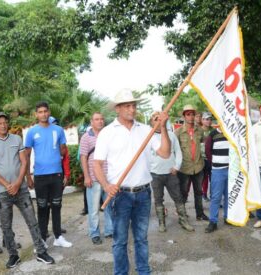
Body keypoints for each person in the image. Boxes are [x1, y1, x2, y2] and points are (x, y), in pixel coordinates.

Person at [94, 90, 171, 275]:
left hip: (144, 193)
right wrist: (106, 186)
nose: (132, 109)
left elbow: (165, 153)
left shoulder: (146, 130)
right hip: (119, 194)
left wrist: (164, 127)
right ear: (118, 109)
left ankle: (144, 271)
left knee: (141, 239)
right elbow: (97, 164)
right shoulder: (107, 132)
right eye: (127, 106)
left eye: (134, 105)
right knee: (120, 240)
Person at [0, 112, 54, 268]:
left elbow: (24, 161)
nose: (3, 125)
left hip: (21, 189)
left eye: (5, 122)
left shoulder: (17, 139)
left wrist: (17, 183)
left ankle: (41, 251)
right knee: (6, 226)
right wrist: (6, 184)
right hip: (3, 192)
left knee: (32, 221)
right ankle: (13, 255)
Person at [25, 102, 72, 248]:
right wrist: (28, 176)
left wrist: (58, 153)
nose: (43, 114)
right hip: (40, 176)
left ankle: (58, 236)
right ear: (36, 114)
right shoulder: (32, 132)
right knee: (42, 207)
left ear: (49, 112)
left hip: (56, 174)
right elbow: (26, 155)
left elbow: (64, 150)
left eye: (45, 111)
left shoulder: (58, 130)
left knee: (57, 206)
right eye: (40, 112)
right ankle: (42, 239)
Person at [149, 111, 194, 233]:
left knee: (178, 197)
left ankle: (183, 220)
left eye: (160, 118)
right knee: (158, 199)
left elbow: (178, 152)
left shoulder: (171, 135)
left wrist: (177, 166)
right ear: (151, 122)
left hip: (171, 173)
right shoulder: (148, 137)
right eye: (155, 119)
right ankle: (161, 223)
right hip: (155, 174)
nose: (158, 121)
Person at [80, 112, 113, 245]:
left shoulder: (109, 136)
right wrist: (86, 176)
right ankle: (94, 233)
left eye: (101, 119)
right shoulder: (86, 137)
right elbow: (83, 157)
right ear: (91, 122)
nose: (100, 121)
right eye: (96, 119)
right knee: (93, 209)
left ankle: (109, 231)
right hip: (93, 179)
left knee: (109, 206)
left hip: (108, 178)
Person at [175, 104, 209, 221]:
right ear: (184, 116)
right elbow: (175, 150)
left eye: (192, 114)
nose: (190, 117)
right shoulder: (178, 132)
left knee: (198, 192)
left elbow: (202, 143)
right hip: (184, 167)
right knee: (183, 192)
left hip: (198, 166)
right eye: (188, 114)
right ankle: (182, 215)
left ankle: (200, 214)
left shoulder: (199, 130)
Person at [203, 127, 230, 233]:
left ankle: (228, 218)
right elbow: (207, 150)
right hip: (218, 170)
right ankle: (213, 221)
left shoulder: (231, 132)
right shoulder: (213, 134)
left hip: (232, 169)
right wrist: (215, 162)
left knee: (229, 195)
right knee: (216, 197)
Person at [201, 112, 213, 201]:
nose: (209, 121)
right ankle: (204, 194)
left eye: (210, 119)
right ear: (202, 120)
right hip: (202, 158)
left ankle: (214, 196)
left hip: (212, 158)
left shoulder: (213, 131)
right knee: (204, 178)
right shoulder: (198, 131)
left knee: (213, 179)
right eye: (207, 119)